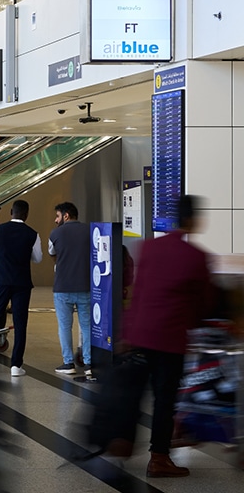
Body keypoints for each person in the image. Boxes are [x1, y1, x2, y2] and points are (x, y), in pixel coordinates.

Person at [92, 195, 215, 478]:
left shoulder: (149, 247)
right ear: (194, 220)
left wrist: (126, 332)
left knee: (132, 393)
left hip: (139, 335)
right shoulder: (196, 257)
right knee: (164, 400)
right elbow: (203, 304)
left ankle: (120, 441)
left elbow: (138, 292)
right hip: (170, 339)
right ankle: (159, 458)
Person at [0, 199, 42, 378]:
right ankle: (16, 366)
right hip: (22, 283)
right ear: (26, 214)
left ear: (11, 212)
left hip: (0, 281)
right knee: (21, 323)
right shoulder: (33, 234)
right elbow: (38, 258)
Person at [49, 202, 91, 376]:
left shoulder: (55, 233)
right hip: (85, 286)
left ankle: (68, 363)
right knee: (87, 326)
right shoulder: (90, 230)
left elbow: (52, 254)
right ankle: (89, 363)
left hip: (63, 287)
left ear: (66, 216)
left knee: (65, 326)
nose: (55, 219)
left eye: (57, 216)